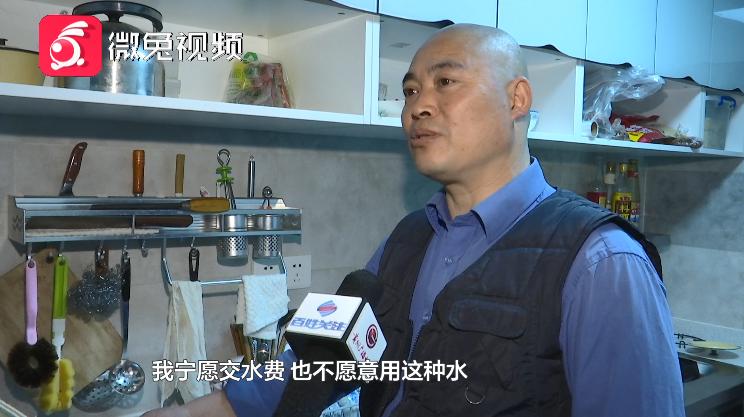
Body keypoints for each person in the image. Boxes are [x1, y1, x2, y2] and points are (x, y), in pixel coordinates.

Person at [143, 24, 684, 417]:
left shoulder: (601, 263)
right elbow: (317, 363)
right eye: (410, 91)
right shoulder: (407, 239)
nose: (417, 107)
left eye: (445, 82)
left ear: (517, 98)